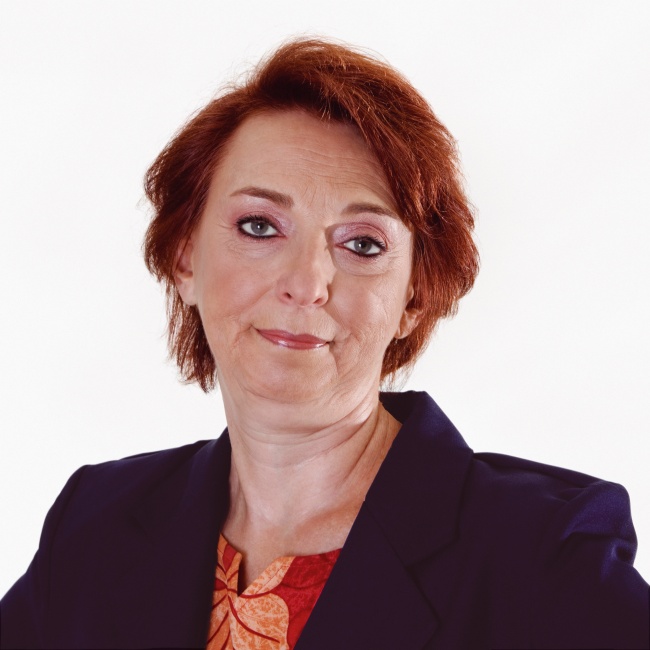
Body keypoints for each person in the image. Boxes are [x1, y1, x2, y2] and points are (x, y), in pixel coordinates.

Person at [1, 37, 648, 650]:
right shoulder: (95, 528)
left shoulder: (541, 557)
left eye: (362, 243)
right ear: (184, 256)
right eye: (259, 226)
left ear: (414, 296)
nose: (307, 284)